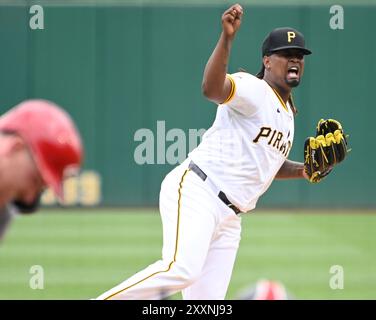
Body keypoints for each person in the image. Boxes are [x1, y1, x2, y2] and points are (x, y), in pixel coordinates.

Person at [97, 4, 312, 300]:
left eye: (299, 56)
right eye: (286, 54)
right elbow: (212, 89)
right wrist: (226, 39)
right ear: (267, 60)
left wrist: (303, 170)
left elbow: (268, 165)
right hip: (201, 191)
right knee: (181, 269)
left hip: (230, 218)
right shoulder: (254, 89)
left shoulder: (287, 114)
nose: (294, 60)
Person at [0, 99, 83, 241]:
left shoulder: (3, 213)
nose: (29, 198)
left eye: (41, 189)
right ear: (15, 147)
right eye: (34, 180)